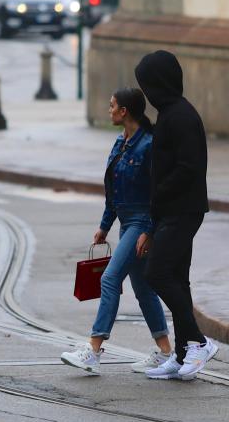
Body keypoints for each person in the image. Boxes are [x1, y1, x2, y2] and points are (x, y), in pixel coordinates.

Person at [60, 88, 173, 375]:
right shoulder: (119, 143)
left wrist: (148, 230)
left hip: (141, 224)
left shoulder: (148, 145)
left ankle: (94, 350)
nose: (108, 110)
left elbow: (157, 195)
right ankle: (165, 352)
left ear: (124, 111)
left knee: (109, 278)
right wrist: (104, 225)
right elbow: (113, 192)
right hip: (126, 223)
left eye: (112, 106)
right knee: (143, 289)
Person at [134, 50, 217, 381]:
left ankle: (198, 341)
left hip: (183, 208)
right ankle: (183, 353)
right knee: (178, 278)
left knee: (157, 273)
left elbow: (189, 168)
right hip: (171, 209)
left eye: (148, 85)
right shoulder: (169, 114)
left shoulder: (181, 116)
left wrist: (161, 192)